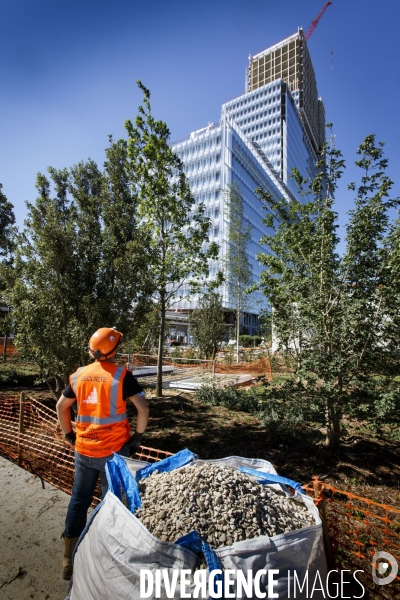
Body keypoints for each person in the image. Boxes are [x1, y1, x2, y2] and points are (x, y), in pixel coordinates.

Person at [56, 326, 149, 580]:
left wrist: (69, 435)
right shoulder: (122, 376)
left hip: (84, 449)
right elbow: (142, 408)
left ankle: (68, 558)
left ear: (93, 350)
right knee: (112, 504)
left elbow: (61, 406)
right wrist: (137, 439)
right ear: (114, 350)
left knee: (79, 499)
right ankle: (107, 555)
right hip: (114, 452)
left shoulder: (78, 376)